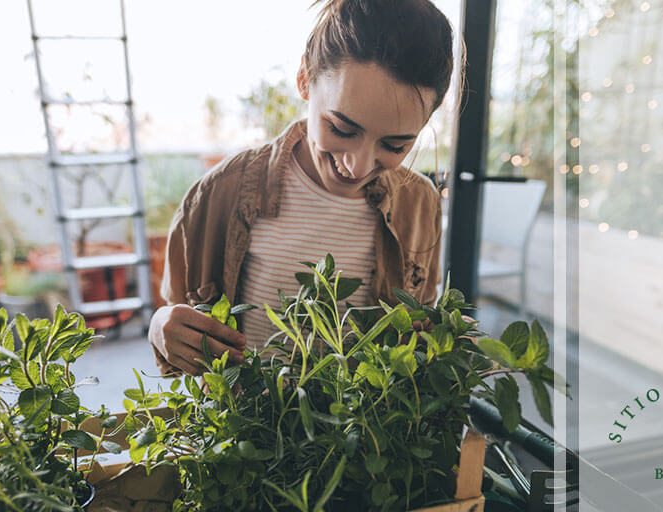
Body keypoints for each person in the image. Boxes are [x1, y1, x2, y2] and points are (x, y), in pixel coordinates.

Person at [149, 0, 464, 376]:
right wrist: (161, 328)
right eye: (342, 129)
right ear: (304, 78)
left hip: (367, 434)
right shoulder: (220, 193)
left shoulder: (420, 205)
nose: (358, 166)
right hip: (246, 430)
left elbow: (418, 341)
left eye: (395, 146)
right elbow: (175, 323)